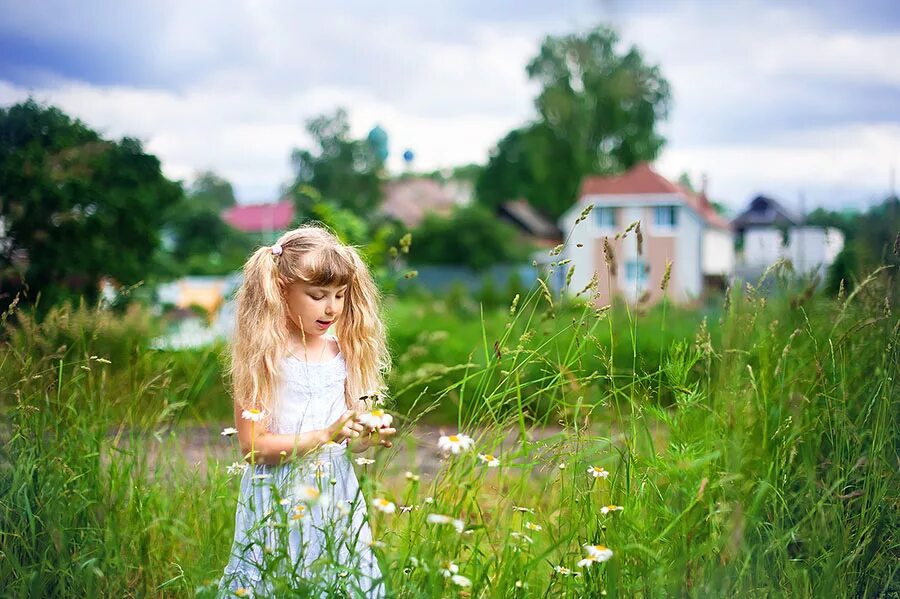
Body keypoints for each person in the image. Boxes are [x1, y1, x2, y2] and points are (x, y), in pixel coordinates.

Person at [218, 225, 396, 597]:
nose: (331, 307)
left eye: (339, 295)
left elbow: (352, 441)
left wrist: (368, 434)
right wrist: (323, 436)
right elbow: (251, 446)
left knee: (339, 576)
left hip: (336, 493)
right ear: (281, 291)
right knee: (280, 578)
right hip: (277, 495)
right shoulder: (264, 358)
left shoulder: (343, 353)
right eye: (317, 296)